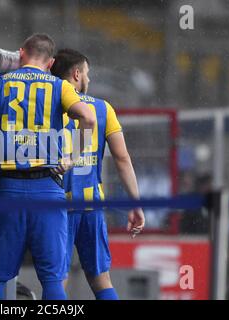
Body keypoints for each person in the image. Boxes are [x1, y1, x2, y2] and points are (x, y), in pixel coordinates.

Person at [0, 33, 95, 300]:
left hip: (8, 190)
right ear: (51, 63)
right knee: (52, 280)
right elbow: (88, 118)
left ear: (21, 54)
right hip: (48, 192)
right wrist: (70, 159)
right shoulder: (58, 87)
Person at [51, 48, 145, 300]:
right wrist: (135, 203)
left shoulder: (47, 106)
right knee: (100, 278)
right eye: (88, 74)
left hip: (57, 205)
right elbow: (122, 159)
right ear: (76, 73)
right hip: (91, 205)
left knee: (56, 279)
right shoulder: (103, 109)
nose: (89, 80)